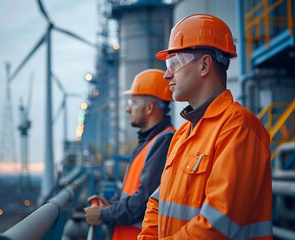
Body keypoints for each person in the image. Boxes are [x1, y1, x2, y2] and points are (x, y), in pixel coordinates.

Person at [138, 14, 273, 239]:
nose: (166, 74)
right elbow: (157, 202)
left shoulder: (239, 128)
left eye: (173, 63)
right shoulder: (183, 133)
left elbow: (217, 224)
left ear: (204, 65)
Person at [84, 69, 175, 240]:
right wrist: (110, 204)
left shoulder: (164, 142)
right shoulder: (147, 141)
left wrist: (104, 214)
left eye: (133, 102)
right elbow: (130, 191)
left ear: (149, 107)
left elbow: (143, 202)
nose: (127, 109)